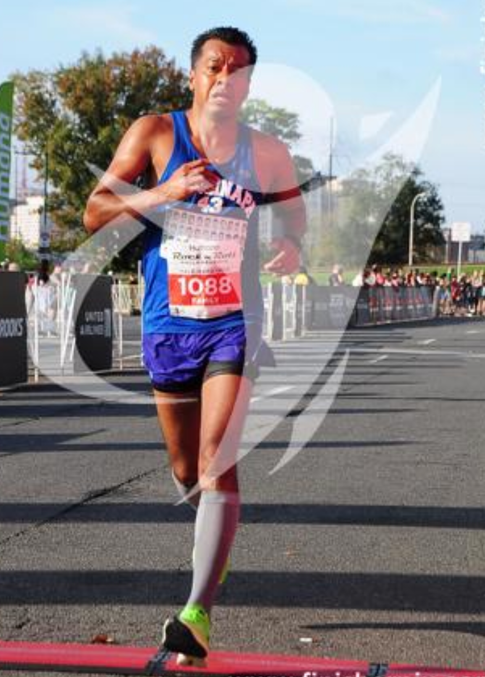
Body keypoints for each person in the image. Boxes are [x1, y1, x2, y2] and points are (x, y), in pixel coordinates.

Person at [83, 26, 305, 666]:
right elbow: (95, 212)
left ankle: (196, 614)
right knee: (187, 473)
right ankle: (216, 545)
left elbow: (294, 215)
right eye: (215, 66)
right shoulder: (155, 133)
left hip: (236, 321)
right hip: (168, 323)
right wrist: (162, 192)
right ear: (193, 74)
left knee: (215, 460)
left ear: (249, 85)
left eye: (238, 71)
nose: (225, 79)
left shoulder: (267, 152)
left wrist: (291, 243)